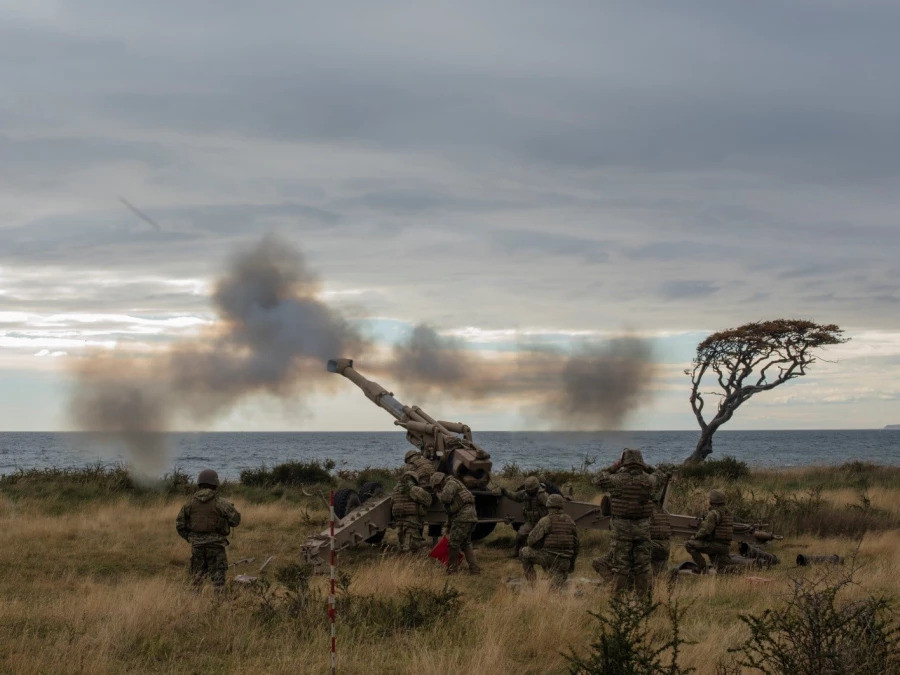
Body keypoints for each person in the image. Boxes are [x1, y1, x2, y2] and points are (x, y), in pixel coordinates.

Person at [592, 448, 666, 598]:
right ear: (641, 462)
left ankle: (619, 600)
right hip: (643, 528)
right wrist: (647, 466)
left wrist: (614, 467)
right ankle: (643, 599)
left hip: (621, 529)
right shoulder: (649, 481)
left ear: (624, 462)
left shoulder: (617, 481)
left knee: (620, 566)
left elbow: (596, 478)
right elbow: (661, 475)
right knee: (643, 566)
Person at [175, 469, 241, 588]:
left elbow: (180, 525)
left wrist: (191, 538)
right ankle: (218, 604)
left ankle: (194, 604)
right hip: (216, 546)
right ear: (215, 484)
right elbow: (235, 521)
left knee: (196, 580)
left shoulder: (190, 503)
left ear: (199, 484)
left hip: (197, 547)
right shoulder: (221, 502)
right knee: (218, 582)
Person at [520, 493, 579, 588]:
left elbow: (530, 541)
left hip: (549, 558)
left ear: (548, 505)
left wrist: (540, 544)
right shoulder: (571, 522)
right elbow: (576, 546)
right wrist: (571, 564)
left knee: (524, 552)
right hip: (564, 562)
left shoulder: (546, 520)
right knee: (555, 588)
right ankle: (557, 576)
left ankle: (532, 585)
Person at [431, 471, 481, 575]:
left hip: (463, 517)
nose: (438, 489)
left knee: (453, 545)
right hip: (471, 516)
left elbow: (446, 499)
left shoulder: (450, 483)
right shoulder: (456, 484)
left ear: (439, 482)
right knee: (466, 543)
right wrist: (448, 527)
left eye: (437, 487)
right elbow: (451, 512)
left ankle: (452, 570)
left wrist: (439, 495)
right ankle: (474, 569)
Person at [684, 490, 733, 573]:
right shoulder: (728, 512)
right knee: (723, 571)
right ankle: (744, 569)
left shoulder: (713, 513)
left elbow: (706, 531)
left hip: (715, 545)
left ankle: (702, 568)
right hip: (725, 547)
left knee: (689, 544)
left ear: (713, 500)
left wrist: (695, 536)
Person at [501, 475, 549, 558]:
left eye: (531, 490)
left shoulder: (543, 496)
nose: (529, 492)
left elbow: (550, 507)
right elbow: (515, 496)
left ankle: (543, 555)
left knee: (542, 539)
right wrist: (505, 492)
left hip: (541, 522)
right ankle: (516, 552)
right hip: (530, 522)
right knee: (520, 535)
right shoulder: (525, 494)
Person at [390, 471, 432, 552]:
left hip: (399, 519)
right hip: (411, 520)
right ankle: (410, 560)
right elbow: (428, 500)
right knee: (411, 544)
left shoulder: (395, 490)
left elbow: (392, 503)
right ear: (414, 479)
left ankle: (401, 559)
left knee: (401, 540)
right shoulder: (414, 489)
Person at [649, 480, 672, 575]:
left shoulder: (647, 510)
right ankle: (667, 578)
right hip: (665, 547)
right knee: (661, 569)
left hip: (652, 546)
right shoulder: (665, 512)